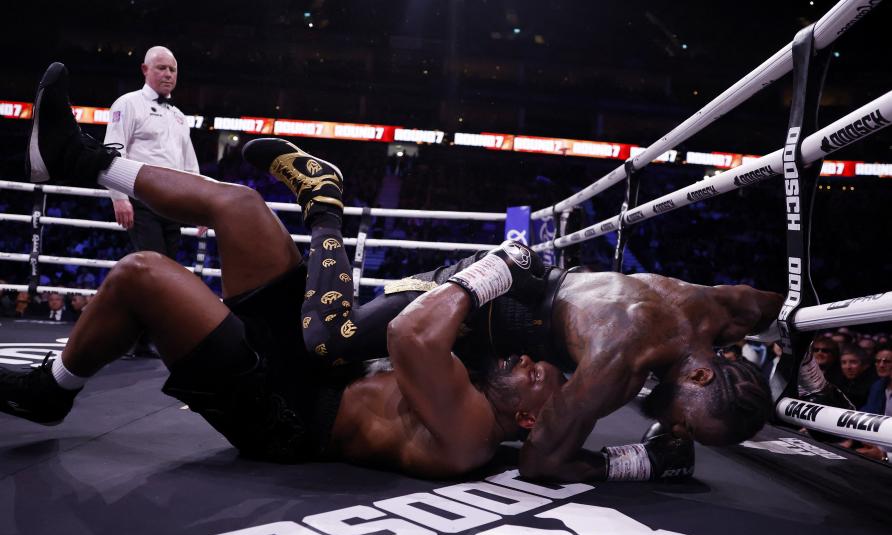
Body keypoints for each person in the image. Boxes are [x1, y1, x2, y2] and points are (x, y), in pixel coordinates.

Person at [4, 62, 700, 483]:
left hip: (283, 417)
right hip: (317, 367)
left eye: (538, 376)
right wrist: (640, 448)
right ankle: (76, 160)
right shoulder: (494, 381)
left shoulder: (470, 433)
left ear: (526, 414)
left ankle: (52, 390)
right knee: (243, 208)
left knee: (144, 274)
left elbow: (412, 339)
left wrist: (494, 268)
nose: (529, 360)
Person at [242, 138, 784, 483]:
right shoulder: (622, 358)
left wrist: (803, 365)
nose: (675, 427)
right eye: (688, 421)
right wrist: (643, 462)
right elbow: (540, 463)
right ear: (702, 373)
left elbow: (782, 305)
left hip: (512, 324)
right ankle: (325, 203)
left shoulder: (725, 309)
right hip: (480, 294)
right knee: (328, 343)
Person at [103, 45, 199, 257]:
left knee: (169, 266)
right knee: (154, 265)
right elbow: (114, 150)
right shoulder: (128, 103)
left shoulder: (179, 116)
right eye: (161, 68)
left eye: (172, 70)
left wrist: (199, 207)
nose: (168, 74)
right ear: (145, 69)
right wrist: (119, 197)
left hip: (173, 203)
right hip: (142, 199)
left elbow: (190, 167)